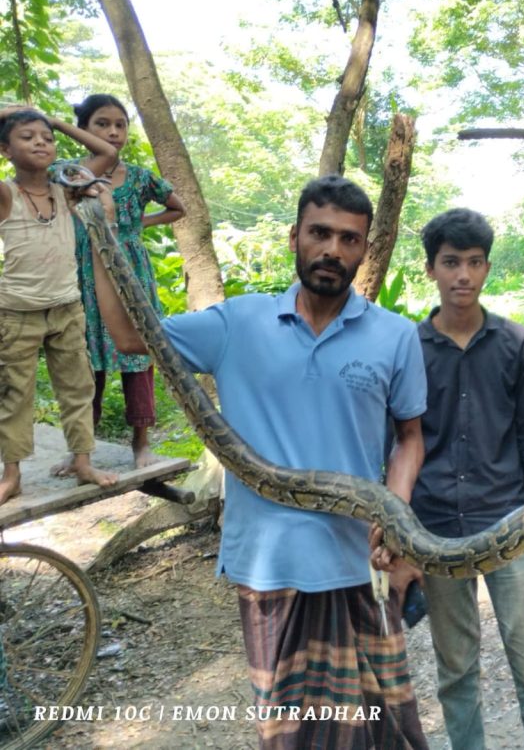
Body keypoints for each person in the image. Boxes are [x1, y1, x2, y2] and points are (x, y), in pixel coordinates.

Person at [94, 175, 429, 749]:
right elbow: (128, 335)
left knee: (384, 731)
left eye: (349, 239)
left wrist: (395, 513)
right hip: (268, 565)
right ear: (294, 236)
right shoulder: (236, 324)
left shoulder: (395, 336)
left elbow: (410, 437)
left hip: (357, 563)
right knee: (291, 733)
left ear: (364, 249)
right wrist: (98, 228)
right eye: (320, 233)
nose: (332, 250)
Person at [401, 208, 524, 750]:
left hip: (510, 523)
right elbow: (399, 440)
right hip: (434, 527)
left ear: (487, 268)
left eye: (475, 263)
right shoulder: (408, 347)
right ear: (431, 268)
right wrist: (402, 537)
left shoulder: (515, 343)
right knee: (456, 672)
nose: (463, 276)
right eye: (451, 262)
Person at [0, 106, 120, 505]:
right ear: (5, 150)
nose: (40, 142)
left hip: (67, 306)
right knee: (15, 394)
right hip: (17, 311)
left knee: (78, 387)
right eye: (27, 137)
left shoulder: (65, 189)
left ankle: (83, 463)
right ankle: (12, 475)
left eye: (47, 138)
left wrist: (55, 121)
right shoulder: (6, 194)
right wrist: (13, 112)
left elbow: (107, 153)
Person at [71, 94, 185, 469]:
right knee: (85, 360)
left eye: (120, 125)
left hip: (130, 273)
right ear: (83, 129)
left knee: (138, 354)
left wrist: (138, 225)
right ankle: (81, 450)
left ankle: (141, 444)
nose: (113, 132)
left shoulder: (138, 177)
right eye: (102, 124)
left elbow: (177, 207)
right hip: (84, 274)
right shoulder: (68, 174)